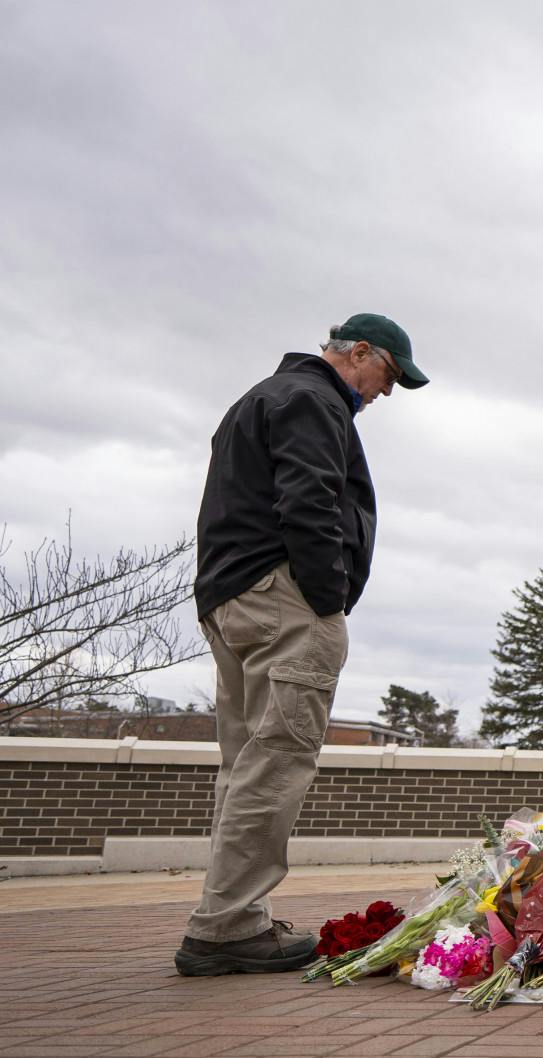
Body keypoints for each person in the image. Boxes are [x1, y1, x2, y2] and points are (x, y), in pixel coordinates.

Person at [175, 314, 428, 976]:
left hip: (228, 598)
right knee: (279, 759)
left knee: (245, 762)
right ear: (360, 353)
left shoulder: (259, 397)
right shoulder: (314, 400)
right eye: (389, 376)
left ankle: (232, 917)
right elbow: (309, 500)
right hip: (284, 599)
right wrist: (328, 596)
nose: (384, 394)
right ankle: (227, 926)